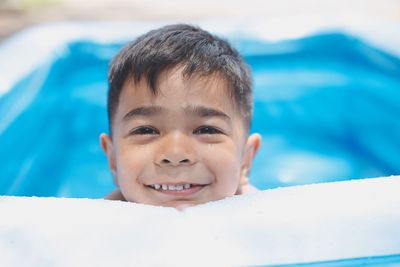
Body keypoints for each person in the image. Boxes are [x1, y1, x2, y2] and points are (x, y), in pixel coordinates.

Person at [100, 24, 261, 209]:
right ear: (113, 159)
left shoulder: (262, 218)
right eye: (145, 130)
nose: (175, 154)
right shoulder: (95, 227)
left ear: (245, 160)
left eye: (206, 129)